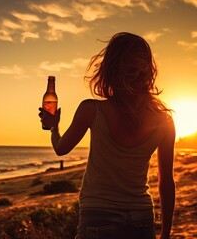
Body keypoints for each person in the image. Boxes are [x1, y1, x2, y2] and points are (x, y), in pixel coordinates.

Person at [39, 32, 175, 239]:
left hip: (98, 214)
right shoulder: (164, 121)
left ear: (110, 68)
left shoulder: (91, 110)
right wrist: (165, 234)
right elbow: (166, 183)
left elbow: (60, 149)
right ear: (148, 70)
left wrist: (54, 127)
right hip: (141, 216)